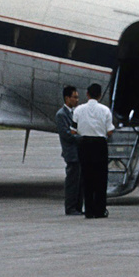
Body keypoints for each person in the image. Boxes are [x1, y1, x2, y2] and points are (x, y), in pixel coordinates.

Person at [71, 82, 114, 218]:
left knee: (87, 177)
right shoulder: (105, 110)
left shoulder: (78, 110)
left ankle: (89, 210)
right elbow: (110, 131)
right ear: (100, 95)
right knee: (101, 178)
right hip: (100, 145)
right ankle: (100, 210)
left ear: (87, 94)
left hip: (84, 145)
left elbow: (73, 130)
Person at [55, 85, 83, 216]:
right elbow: (67, 134)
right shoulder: (61, 115)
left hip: (78, 153)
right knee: (72, 182)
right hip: (71, 153)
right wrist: (81, 137)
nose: (77, 100)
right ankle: (70, 207)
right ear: (67, 98)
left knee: (79, 182)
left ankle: (78, 207)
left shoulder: (74, 112)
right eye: (75, 97)